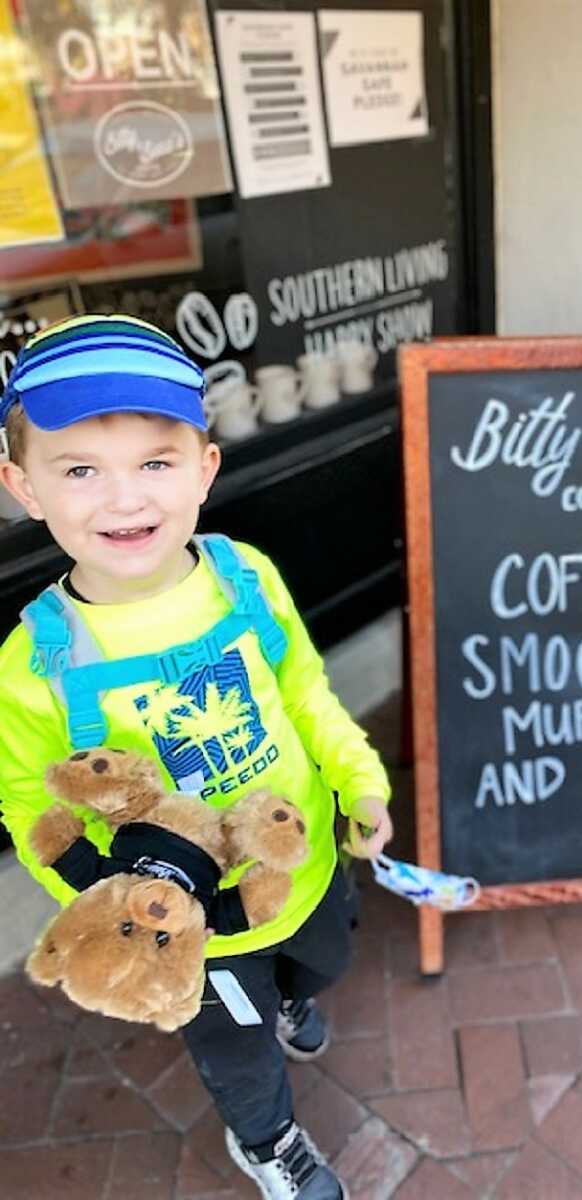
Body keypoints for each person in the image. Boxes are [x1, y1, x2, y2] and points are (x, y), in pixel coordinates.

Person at [0, 314, 393, 1200]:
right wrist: (114, 903)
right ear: (23, 486)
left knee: (324, 957)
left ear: (205, 467)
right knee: (236, 1043)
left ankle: (296, 988)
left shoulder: (244, 577)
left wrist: (357, 779)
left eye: (155, 461)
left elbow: (302, 692)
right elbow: (34, 808)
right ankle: (269, 1139)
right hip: (197, 926)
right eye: (79, 471)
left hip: (304, 859)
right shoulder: (33, 667)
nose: (124, 499)